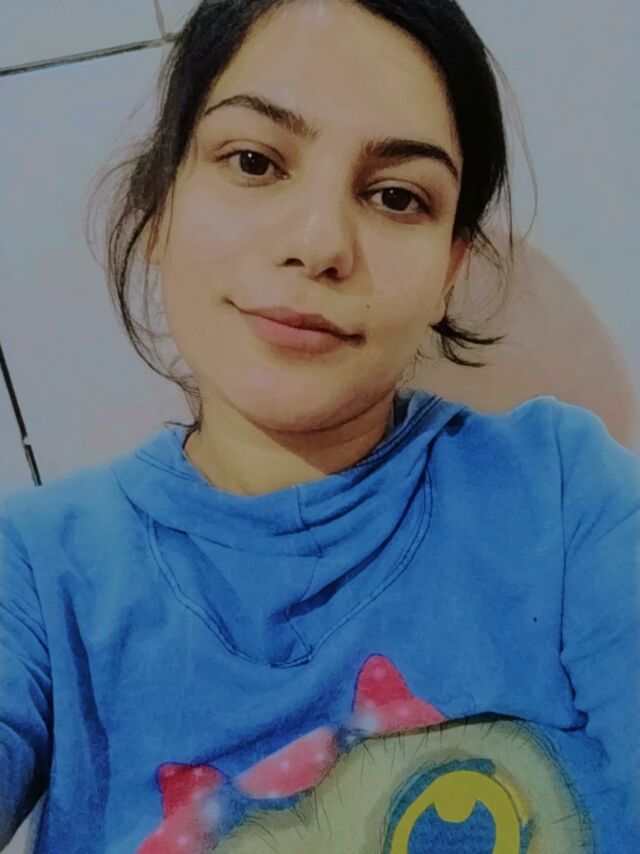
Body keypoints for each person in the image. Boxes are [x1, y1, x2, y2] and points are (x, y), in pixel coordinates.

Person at [1, 0, 638, 851]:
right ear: (160, 205)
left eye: (397, 196)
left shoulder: (563, 497)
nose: (320, 243)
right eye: (255, 161)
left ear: (449, 270)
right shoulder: (34, 575)